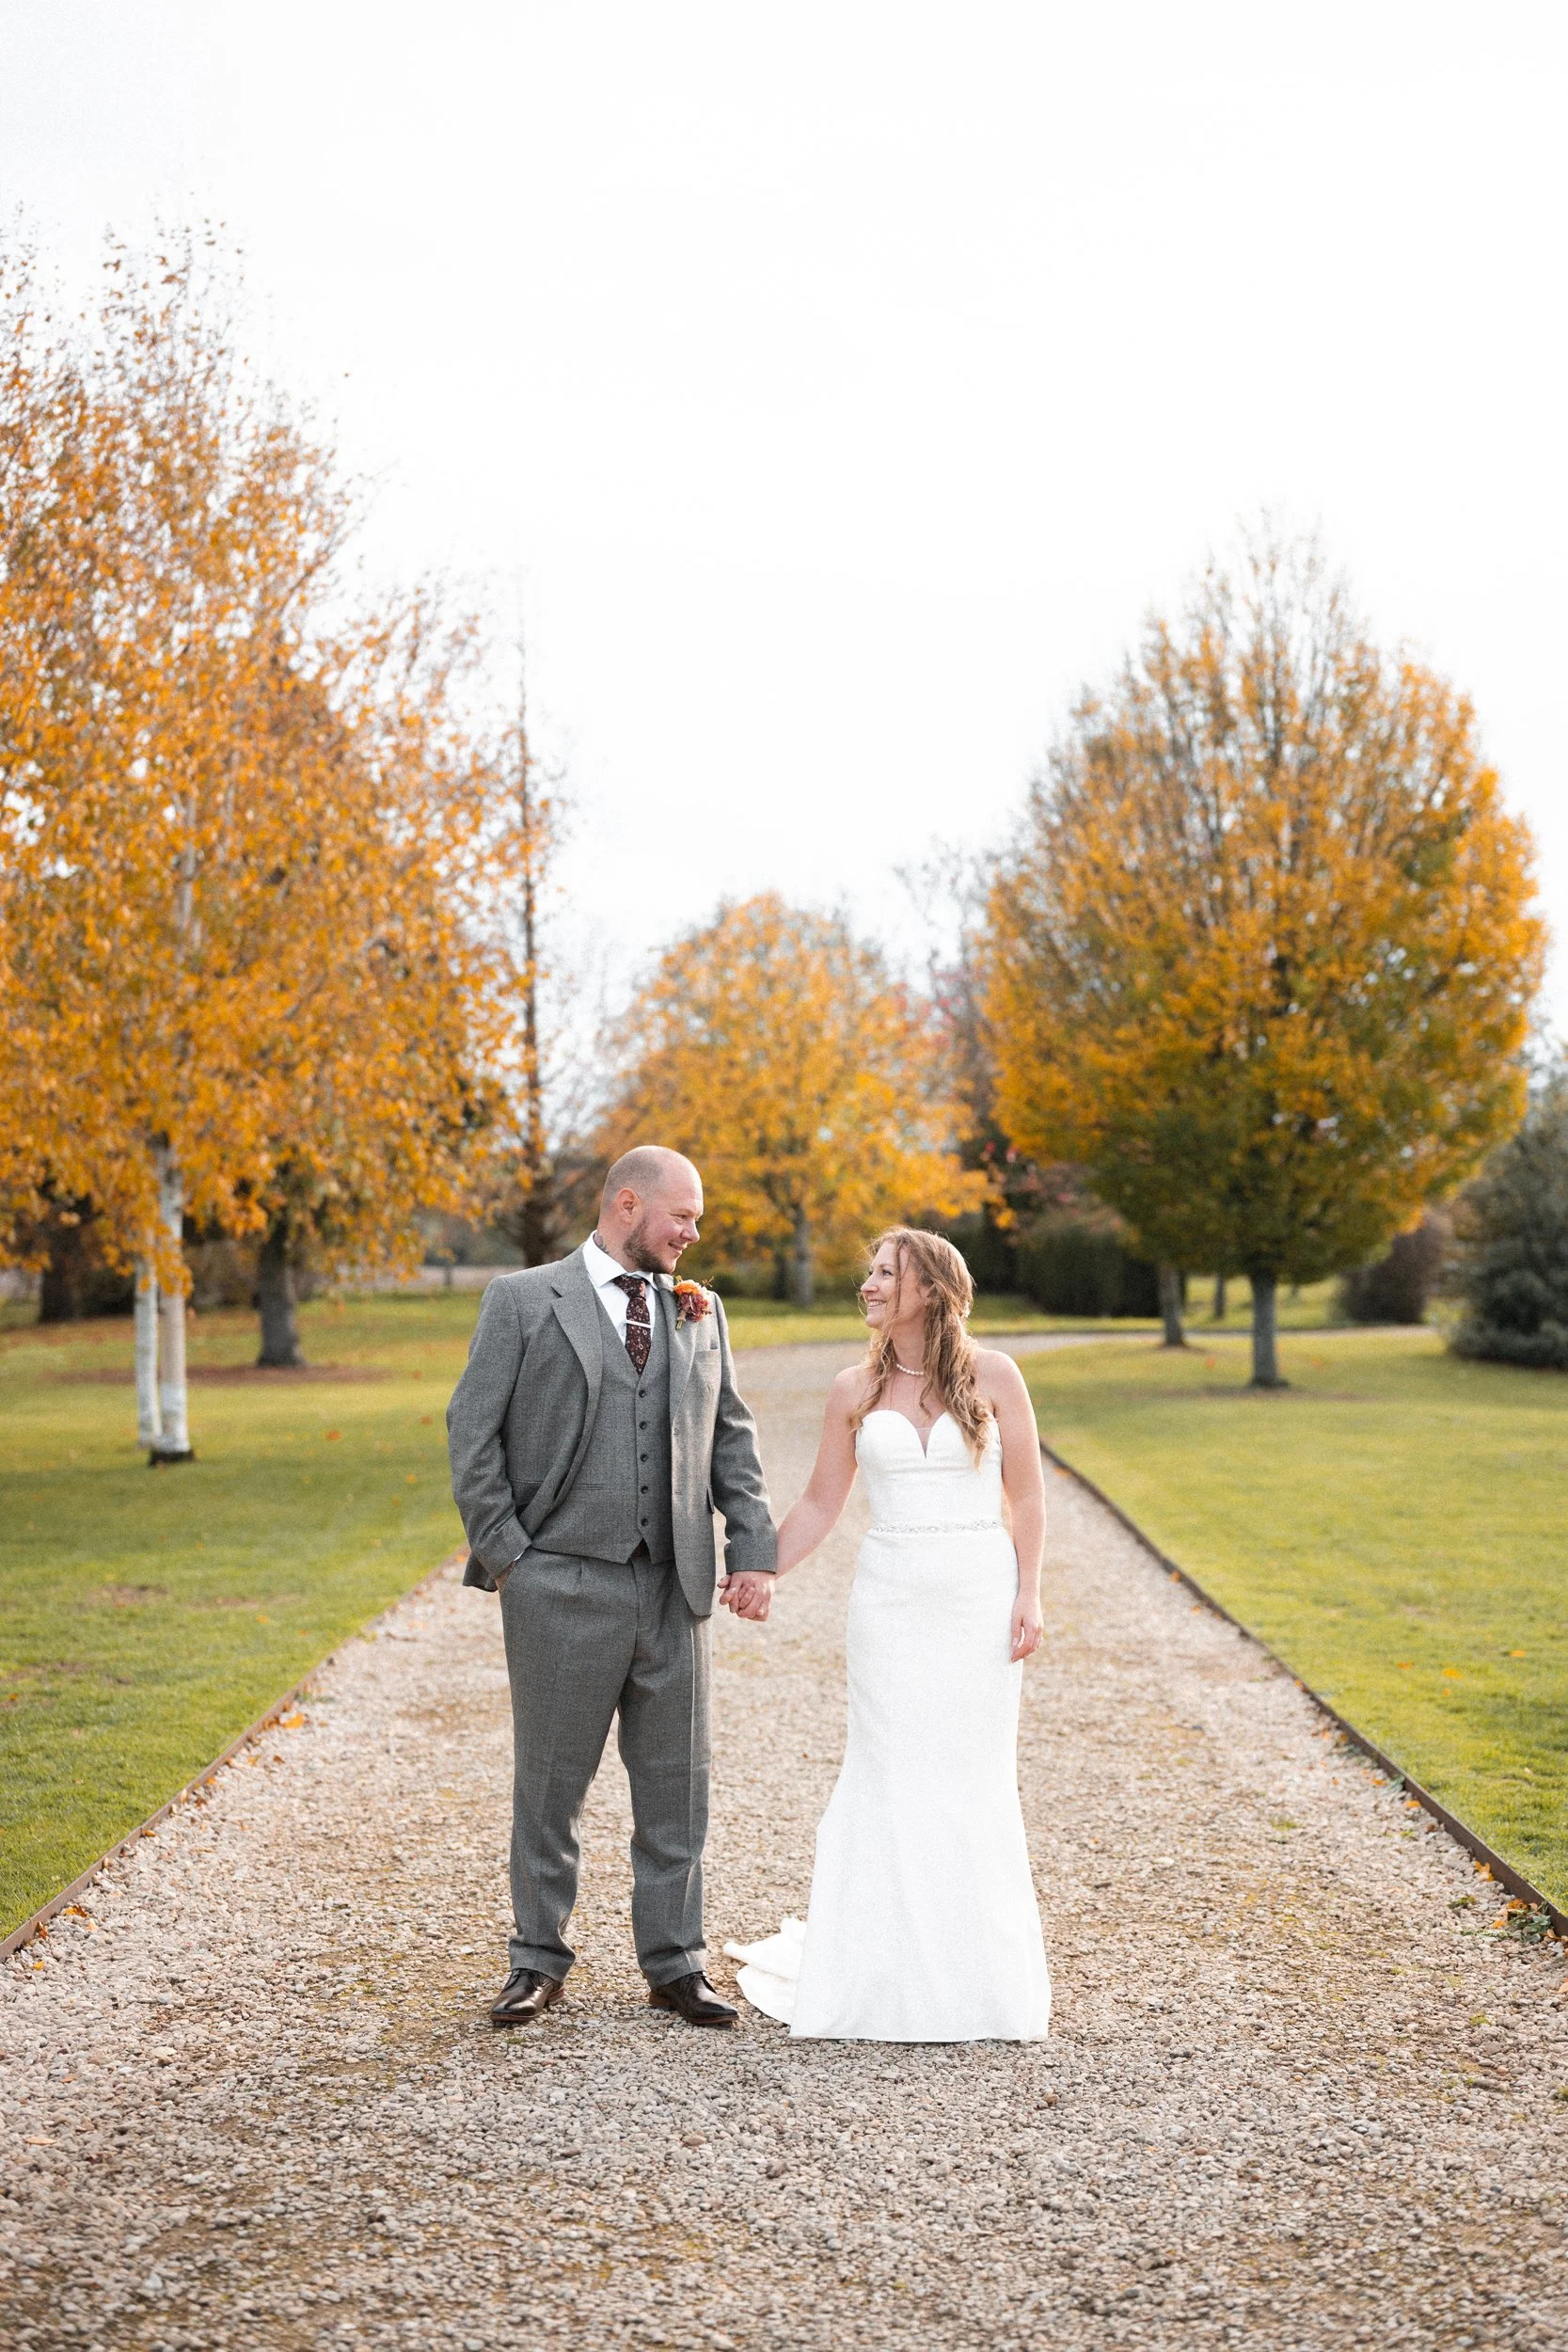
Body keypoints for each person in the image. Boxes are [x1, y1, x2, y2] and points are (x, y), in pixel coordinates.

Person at [447, 1146, 776, 2029]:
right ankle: (536, 1958)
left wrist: (753, 1547)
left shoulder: (698, 1311)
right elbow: (471, 1431)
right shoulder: (521, 1301)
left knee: (679, 1784)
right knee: (550, 1783)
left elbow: (730, 1438)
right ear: (627, 1205)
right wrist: (512, 1555)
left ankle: (675, 1964)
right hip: (558, 1584)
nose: (693, 1233)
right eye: (683, 1215)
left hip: (675, 1587)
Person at [725, 1228, 1052, 2041]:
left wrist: (1029, 1593)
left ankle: (978, 1983)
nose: (866, 1285)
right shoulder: (852, 1389)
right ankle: (876, 1975)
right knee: (888, 1772)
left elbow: (1030, 1497)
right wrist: (756, 1568)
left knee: (970, 1777)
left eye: (883, 1274)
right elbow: (817, 1507)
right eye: (866, 1270)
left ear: (930, 1290)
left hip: (978, 1601)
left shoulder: (996, 1377)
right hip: (890, 1605)